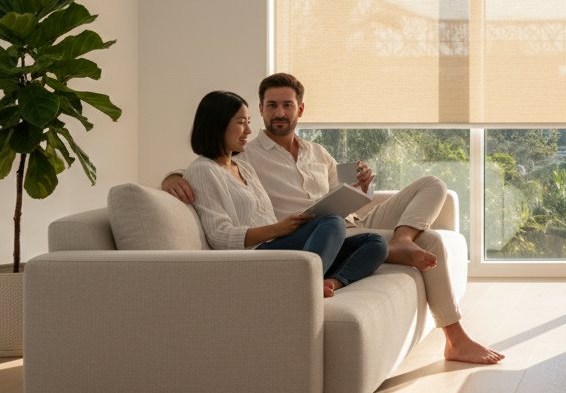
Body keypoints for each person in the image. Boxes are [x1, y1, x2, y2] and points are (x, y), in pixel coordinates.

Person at [165, 74, 503, 365]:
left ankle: (396, 242)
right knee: (428, 240)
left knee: (432, 185)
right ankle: (456, 338)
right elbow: (206, 172)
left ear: (301, 109)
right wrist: (170, 178)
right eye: (270, 106)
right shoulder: (248, 154)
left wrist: (362, 190)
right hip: (305, 234)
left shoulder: (317, 153)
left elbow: (338, 199)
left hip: (348, 220)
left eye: (287, 105)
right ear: (261, 109)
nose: (278, 113)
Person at [183, 90, 388, 298]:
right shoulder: (203, 170)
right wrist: (278, 229)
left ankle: (327, 282)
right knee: (332, 222)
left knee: (376, 243)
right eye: (241, 122)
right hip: (252, 257)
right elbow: (219, 236)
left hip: (277, 248)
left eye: (248, 122)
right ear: (218, 124)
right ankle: (302, 286)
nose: (248, 130)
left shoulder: (243, 167)